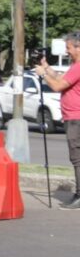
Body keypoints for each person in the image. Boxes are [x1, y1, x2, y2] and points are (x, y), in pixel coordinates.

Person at [34, 31, 80, 208]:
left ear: (78, 47)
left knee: (77, 158)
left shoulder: (78, 66)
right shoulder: (75, 65)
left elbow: (58, 86)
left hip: (76, 118)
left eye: (68, 48)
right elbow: (62, 79)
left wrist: (43, 75)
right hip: (73, 118)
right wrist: (46, 67)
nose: (67, 51)